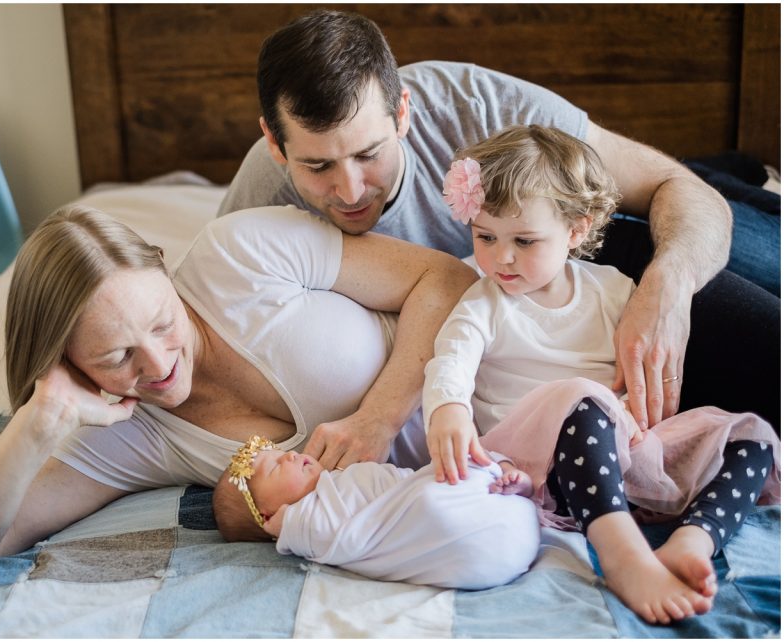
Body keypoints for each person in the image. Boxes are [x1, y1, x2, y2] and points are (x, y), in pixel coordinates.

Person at [218, 9, 781, 464]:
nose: (349, 190)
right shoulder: (255, 213)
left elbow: (674, 186)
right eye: (318, 167)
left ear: (403, 113)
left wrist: (667, 291)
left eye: (369, 154)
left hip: (601, 265)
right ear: (274, 141)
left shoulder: (480, 109)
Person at [0, 203, 473, 575]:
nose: (159, 365)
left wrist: (380, 416)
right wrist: (40, 419)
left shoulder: (240, 255)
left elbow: (446, 278)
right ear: (71, 365)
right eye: (117, 356)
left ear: (163, 269)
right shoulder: (127, 438)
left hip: (515, 358)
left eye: (161, 322)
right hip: (497, 481)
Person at [421, 124, 780, 625]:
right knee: (582, 399)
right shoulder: (483, 302)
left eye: (523, 240)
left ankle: (693, 539)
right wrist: (449, 411)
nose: (501, 256)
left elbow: (640, 364)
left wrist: (635, 409)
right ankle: (623, 556)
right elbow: (450, 360)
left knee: (751, 437)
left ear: (576, 230)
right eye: (485, 236)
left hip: (620, 454)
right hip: (532, 463)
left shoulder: (612, 289)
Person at [212, 435, 539, 590]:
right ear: (267, 517)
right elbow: (346, 536)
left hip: (501, 524)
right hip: (469, 541)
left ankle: (512, 480)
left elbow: (399, 483)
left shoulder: (334, 481)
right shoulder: (308, 524)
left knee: (469, 453)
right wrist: (286, 525)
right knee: (430, 501)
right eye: (274, 469)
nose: (289, 458)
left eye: (283, 453)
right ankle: (504, 482)